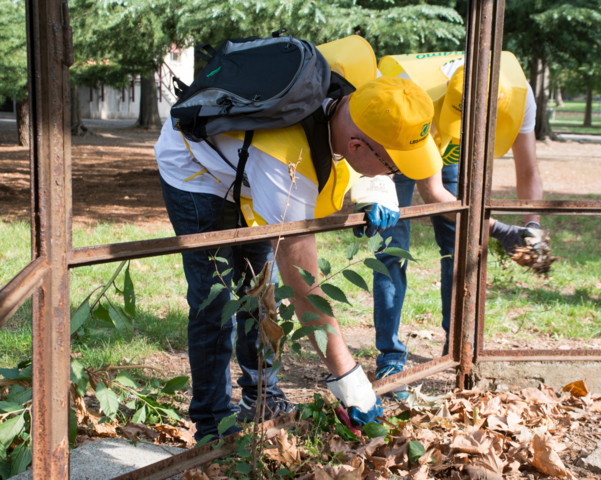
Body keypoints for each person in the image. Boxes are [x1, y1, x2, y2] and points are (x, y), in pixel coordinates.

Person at [154, 35, 452, 440]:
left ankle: (262, 396)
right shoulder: (286, 166)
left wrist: (373, 189)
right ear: (358, 145)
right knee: (217, 295)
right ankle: (212, 422)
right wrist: (350, 380)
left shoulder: (366, 82)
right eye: (393, 168)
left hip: (251, 165)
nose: (395, 176)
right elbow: (305, 291)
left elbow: (350, 147)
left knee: (259, 289)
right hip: (196, 168)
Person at [368, 53, 544, 400]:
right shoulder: (416, 88)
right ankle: (390, 359)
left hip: (448, 137)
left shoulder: (520, 94)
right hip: (402, 135)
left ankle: (457, 350)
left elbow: (528, 170)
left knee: (460, 245)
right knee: (392, 247)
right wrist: (501, 230)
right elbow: (432, 192)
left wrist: (532, 225)